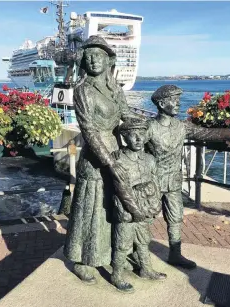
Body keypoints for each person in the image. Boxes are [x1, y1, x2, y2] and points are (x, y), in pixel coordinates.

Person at [145, 85, 230, 269]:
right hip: (152, 180)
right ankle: (139, 256)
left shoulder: (181, 126)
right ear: (161, 103)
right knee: (145, 217)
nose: (178, 104)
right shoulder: (149, 127)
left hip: (173, 180)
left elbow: (207, 133)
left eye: (178, 100)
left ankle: (175, 254)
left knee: (175, 217)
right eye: (173, 100)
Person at [63, 36, 145, 284]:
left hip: (116, 149)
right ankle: (83, 259)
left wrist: (149, 131)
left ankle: (113, 254)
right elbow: (88, 130)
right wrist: (109, 162)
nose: (92, 59)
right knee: (91, 207)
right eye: (88, 56)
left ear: (109, 60)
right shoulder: (82, 91)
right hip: (95, 155)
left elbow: (127, 116)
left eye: (98, 55)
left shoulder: (116, 90)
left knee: (113, 207)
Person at [111, 118, 166, 293]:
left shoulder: (149, 159)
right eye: (133, 135)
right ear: (125, 137)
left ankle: (146, 269)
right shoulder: (118, 159)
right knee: (122, 244)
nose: (138, 139)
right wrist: (134, 210)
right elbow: (121, 188)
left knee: (143, 240)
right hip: (127, 210)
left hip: (145, 207)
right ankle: (117, 275)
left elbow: (155, 182)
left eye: (142, 135)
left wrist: (155, 204)